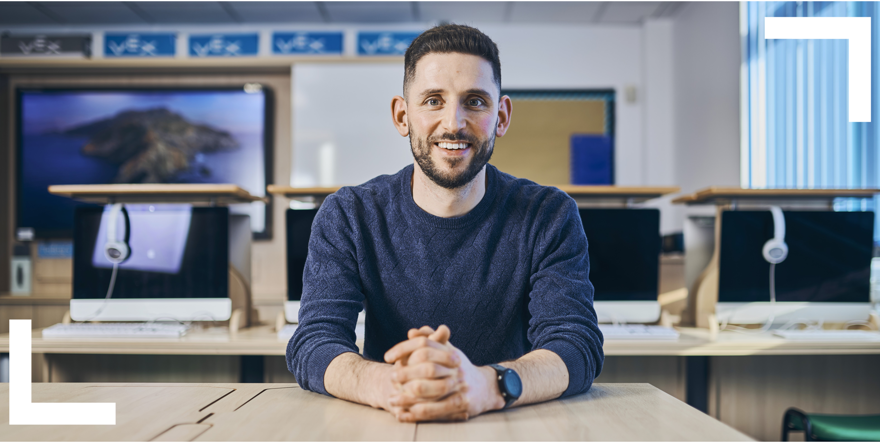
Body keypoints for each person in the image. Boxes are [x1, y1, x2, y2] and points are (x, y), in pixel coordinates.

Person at [287, 24, 603, 423]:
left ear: (501, 116)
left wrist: (487, 386)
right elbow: (314, 343)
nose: (453, 123)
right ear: (402, 116)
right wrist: (392, 385)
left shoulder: (549, 214)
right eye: (433, 100)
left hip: (511, 422)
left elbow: (576, 346)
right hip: (392, 421)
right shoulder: (348, 215)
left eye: (474, 101)